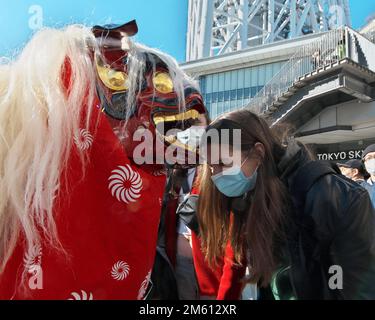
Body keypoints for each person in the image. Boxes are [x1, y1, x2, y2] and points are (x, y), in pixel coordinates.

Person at [197, 109, 375, 300]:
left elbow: (358, 288)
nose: (216, 175)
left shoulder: (335, 198)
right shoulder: (251, 193)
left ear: (258, 153)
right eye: (211, 166)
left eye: (224, 162)